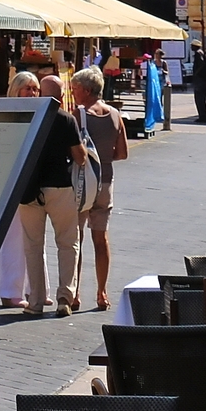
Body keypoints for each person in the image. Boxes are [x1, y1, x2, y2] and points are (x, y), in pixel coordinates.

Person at [17, 74, 87, 317]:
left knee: (33, 246)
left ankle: (35, 302)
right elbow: (80, 157)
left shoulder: (27, 118)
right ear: (61, 96)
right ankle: (64, 298)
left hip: (29, 190)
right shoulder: (66, 119)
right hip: (59, 188)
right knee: (68, 243)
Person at [72, 66, 129, 310]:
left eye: (74, 89)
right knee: (101, 237)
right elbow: (122, 153)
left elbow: (73, 151)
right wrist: (103, 158)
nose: (73, 93)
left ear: (85, 90)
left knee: (77, 238)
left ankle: (74, 293)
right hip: (106, 180)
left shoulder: (79, 115)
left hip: (84, 181)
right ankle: (101, 291)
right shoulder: (115, 115)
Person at [0, 72, 41, 308]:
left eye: (35, 88)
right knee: (13, 238)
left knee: (34, 237)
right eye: (27, 88)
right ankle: (11, 290)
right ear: (17, 89)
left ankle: (36, 288)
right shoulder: (9, 115)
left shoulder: (40, 114)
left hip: (34, 184)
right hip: (10, 182)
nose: (32, 93)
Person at [190, 47, 206, 124]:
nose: (191, 47)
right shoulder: (200, 53)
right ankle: (203, 115)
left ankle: (203, 116)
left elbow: (201, 65)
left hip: (200, 80)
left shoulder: (198, 53)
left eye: (192, 45)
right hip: (201, 80)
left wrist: (196, 73)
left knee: (199, 99)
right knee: (201, 99)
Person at [142, 51, 164, 133]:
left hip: (155, 82)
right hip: (151, 82)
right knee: (151, 99)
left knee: (153, 99)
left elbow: (167, 71)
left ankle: (155, 114)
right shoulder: (152, 64)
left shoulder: (160, 63)